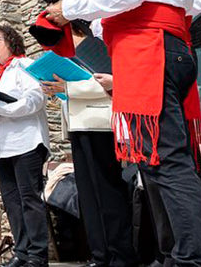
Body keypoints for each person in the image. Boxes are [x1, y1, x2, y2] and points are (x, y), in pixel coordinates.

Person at [44, 0, 201, 266]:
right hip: (161, 47)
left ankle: (194, 259)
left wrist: (70, 7)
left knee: (167, 162)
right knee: (156, 163)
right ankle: (176, 255)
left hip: (151, 50)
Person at [37, 20, 137, 267]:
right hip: (78, 126)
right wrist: (55, 90)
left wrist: (68, 87)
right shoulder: (64, 53)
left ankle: (120, 255)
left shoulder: (95, 45)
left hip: (100, 124)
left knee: (107, 190)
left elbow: (106, 82)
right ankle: (100, 255)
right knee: (89, 194)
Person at [0, 25, 50, 267]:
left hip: (26, 142)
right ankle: (22, 252)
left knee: (29, 199)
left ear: (11, 42)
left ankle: (38, 255)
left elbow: (35, 100)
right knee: (12, 202)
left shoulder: (25, 65)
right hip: (2, 146)